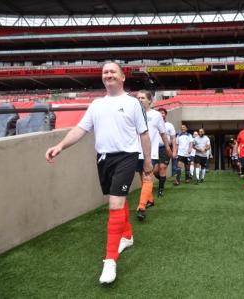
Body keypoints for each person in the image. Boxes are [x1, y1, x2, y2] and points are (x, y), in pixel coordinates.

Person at [45, 61, 152, 284]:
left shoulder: (133, 103)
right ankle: (128, 235)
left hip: (126, 156)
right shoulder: (95, 105)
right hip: (104, 158)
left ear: (123, 77)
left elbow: (143, 134)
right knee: (118, 200)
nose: (108, 74)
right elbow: (80, 129)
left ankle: (110, 261)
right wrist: (60, 146)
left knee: (114, 203)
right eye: (105, 72)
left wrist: (147, 163)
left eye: (113, 71)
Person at [135, 90, 171, 221]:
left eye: (142, 98)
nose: (139, 100)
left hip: (151, 153)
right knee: (142, 178)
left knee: (147, 177)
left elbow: (163, 133)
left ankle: (141, 207)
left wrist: (167, 147)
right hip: (136, 152)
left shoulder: (156, 115)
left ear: (150, 100)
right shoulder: (132, 114)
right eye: (138, 98)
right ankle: (150, 199)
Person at [156, 108, 177, 197]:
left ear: (165, 114)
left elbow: (173, 139)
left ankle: (161, 190)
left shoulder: (169, 125)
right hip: (154, 149)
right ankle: (162, 179)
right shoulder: (154, 124)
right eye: (159, 113)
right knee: (155, 171)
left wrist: (174, 151)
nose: (161, 114)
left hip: (165, 148)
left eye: (163, 113)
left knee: (162, 167)